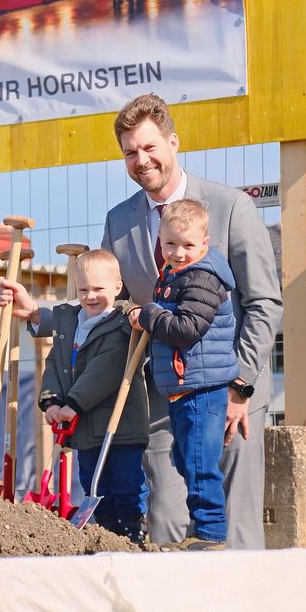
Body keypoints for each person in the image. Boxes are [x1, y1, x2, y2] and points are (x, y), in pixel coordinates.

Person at [103, 93, 282, 549]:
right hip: (165, 395)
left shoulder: (230, 207)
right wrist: (44, 315)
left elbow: (263, 302)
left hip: (229, 396)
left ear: (173, 142)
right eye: (130, 152)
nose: (141, 160)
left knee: (233, 527)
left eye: (149, 147)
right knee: (164, 519)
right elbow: (116, 303)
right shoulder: (119, 222)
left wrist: (239, 385)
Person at [0, 249, 149, 544]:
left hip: (119, 427)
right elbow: (55, 362)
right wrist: (52, 401)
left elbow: (105, 369)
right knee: (94, 484)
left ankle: (133, 532)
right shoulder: (70, 322)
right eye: (83, 290)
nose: (91, 296)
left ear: (117, 287)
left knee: (125, 483)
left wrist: (73, 404)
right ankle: (108, 535)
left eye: (98, 289)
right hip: (84, 427)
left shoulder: (122, 324)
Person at [129, 199, 239, 550]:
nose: (178, 252)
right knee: (185, 458)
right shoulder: (175, 274)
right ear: (159, 240)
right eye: (171, 244)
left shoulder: (203, 277)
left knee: (198, 461)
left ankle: (209, 534)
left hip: (202, 387)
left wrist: (149, 314)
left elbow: (187, 328)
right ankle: (201, 529)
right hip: (185, 384)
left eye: (188, 245)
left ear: (204, 244)